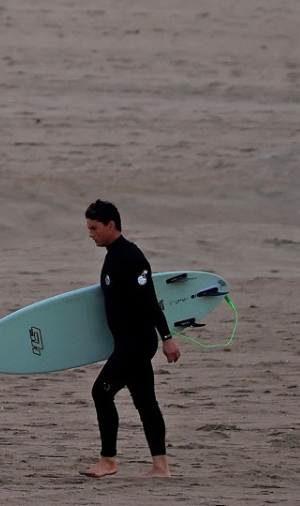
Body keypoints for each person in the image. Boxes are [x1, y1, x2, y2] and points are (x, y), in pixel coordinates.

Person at [81, 200, 181, 479]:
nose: (90, 234)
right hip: (127, 341)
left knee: (101, 392)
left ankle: (108, 460)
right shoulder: (113, 255)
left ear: (111, 226)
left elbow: (150, 300)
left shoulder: (130, 256)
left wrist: (167, 338)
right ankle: (160, 467)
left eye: (94, 228)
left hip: (135, 342)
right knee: (146, 401)